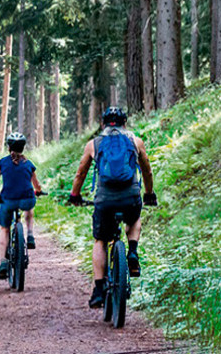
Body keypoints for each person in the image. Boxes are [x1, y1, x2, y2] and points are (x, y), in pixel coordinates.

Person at [68, 106, 158, 308]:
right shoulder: (136, 141)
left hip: (105, 200)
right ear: (124, 123)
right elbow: (147, 171)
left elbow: (80, 174)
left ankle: (99, 289)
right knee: (134, 219)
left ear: (103, 123)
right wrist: (149, 194)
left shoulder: (94, 144)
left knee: (100, 240)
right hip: (130, 197)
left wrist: (75, 195)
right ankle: (132, 251)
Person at [0, 132, 44, 280]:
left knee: (4, 229)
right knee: (29, 205)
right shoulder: (28, 164)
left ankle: (3, 262)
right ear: (23, 147)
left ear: (8, 147)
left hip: (8, 200)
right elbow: (36, 184)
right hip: (26, 199)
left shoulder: (3, 163)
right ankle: (29, 234)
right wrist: (39, 191)